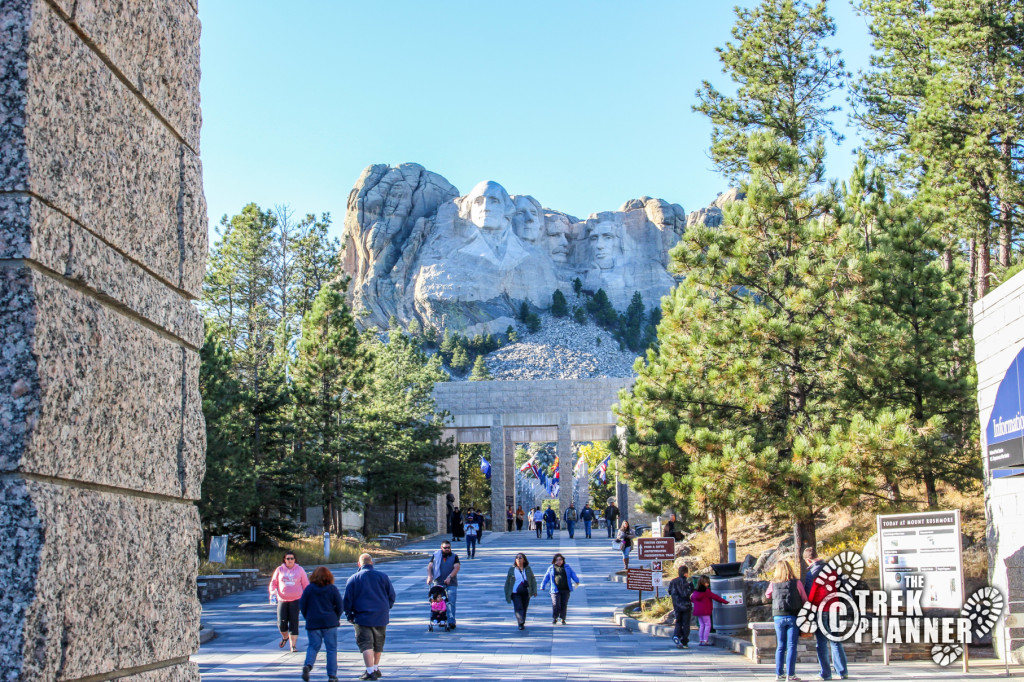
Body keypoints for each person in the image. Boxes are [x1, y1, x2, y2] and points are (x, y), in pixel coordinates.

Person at [342, 554, 397, 682]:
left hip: (362, 617)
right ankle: (376, 668)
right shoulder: (383, 576)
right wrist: (386, 607)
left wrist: (349, 615)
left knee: (366, 644)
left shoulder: (353, 579)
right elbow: (392, 595)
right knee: (378, 643)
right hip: (381, 616)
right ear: (372, 563)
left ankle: (370, 671)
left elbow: (347, 600)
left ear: (359, 564)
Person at [804, 547, 848, 680]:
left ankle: (826, 673)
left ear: (808, 560)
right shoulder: (833, 569)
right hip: (834, 608)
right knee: (835, 640)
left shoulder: (811, 573)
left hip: (820, 609)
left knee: (821, 642)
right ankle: (842, 672)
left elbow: (808, 594)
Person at [765, 559, 808, 682]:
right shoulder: (797, 583)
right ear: (790, 569)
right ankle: (791, 675)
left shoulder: (773, 583)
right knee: (791, 646)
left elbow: (767, 595)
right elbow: (804, 598)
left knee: (780, 646)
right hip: (793, 616)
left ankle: (779, 674)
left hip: (778, 616)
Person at [298, 566, 343, 682]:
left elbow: (302, 605)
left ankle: (308, 665)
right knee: (331, 649)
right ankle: (332, 675)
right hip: (330, 622)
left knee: (313, 646)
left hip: (313, 622)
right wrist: (336, 617)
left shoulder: (309, 589)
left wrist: (307, 617)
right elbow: (340, 606)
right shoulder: (332, 589)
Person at [269, 552, 309, 652]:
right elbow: (273, 583)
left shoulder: (300, 570)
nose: (290, 560)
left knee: (294, 622)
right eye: (288, 559)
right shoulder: (279, 570)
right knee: (282, 623)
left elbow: (305, 584)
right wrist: (273, 592)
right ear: (284, 560)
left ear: (295, 560)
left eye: (292, 558)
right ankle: (285, 637)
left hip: (296, 600)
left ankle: (293, 645)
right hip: (282, 599)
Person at [427, 539, 461, 629]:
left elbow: (457, 567)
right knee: (437, 601)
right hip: (438, 582)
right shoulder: (436, 555)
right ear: (441, 547)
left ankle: (451, 621)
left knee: (451, 602)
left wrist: (450, 577)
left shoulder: (454, 556)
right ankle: (437, 618)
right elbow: (430, 566)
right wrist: (429, 576)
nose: (447, 549)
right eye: (445, 548)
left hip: (451, 583)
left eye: (449, 548)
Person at [541, 552, 581, 624]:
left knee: (564, 604)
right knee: (556, 604)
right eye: (557, 560)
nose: (559, 561)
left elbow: (573, 574)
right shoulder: (551, 568)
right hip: (555, 590)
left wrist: (577, 581)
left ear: (563, 560)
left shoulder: (567, 567)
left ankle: (563, 618)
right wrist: (543, 585)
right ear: (554, 561)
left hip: (566, 589)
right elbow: (546, 577)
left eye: (560, 560)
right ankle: (555, 617)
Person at [690, 575, 728, 646]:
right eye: (707, 583)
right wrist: (725, 601)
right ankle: (705, 640)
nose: (708, 584)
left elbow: (692, 599)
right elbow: (715, 597)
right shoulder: (706, 591)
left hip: (698, 611)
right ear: (704, 583)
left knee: (701, 625)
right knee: (707, 625)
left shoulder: (695, 591)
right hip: (705, 611)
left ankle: (701, 640)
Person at [504, 552, 538, 630]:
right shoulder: (512, 569)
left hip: (526, 591)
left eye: (520, 558)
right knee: (518, 607)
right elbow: (507, 582)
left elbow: (533, 580)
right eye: (517, 558)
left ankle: (522, 621)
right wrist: (507, 593)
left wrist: (534, 590)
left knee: (524, 607)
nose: (518, 559)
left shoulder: (528, 569)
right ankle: (520, 623)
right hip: (515, 592)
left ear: (524, 560)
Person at [667, 560, 694, 648]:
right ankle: (684, 640)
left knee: (678, 622)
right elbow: (685, 594)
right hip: (686, 606)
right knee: (686, 623)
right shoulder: (686, 582)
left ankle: (676, 635)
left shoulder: (673, 581)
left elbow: (670, 591)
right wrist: (691, 588)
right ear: (686, 574)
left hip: (677, 606)